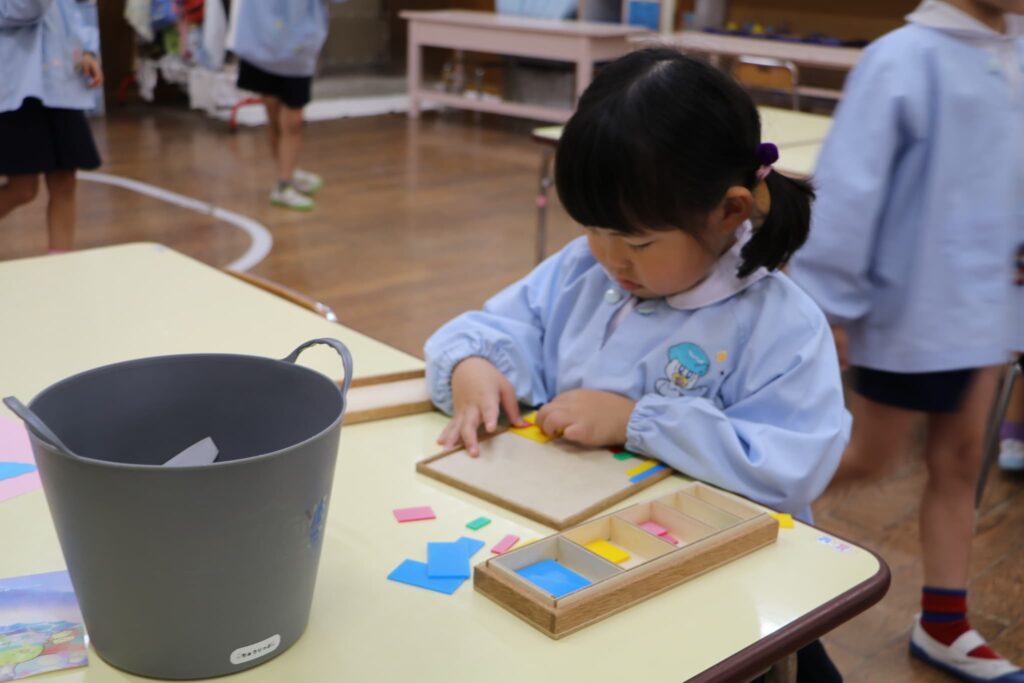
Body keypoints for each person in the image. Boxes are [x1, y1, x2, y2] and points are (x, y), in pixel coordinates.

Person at [425, 48, 849, 682]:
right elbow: (502, 326)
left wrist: (637, 422)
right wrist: (473, 365)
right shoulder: (583, 270)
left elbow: (789, 467)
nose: (609, 258)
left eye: (637, 241)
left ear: (730, 211)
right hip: (585, 566)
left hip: (717, 591)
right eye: (593, 230)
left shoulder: (778, 322)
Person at [787, 1, 1024, 680]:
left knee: (961, 460)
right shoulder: (902, 59)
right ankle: (730, 512)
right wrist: (827, 307)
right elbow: (847, 195)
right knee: (868, 457)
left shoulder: (1012, 52)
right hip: (911, 306)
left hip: (985, 305)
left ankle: (944, 623)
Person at [0, 0, 103, 252]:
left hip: (63, 82)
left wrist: (88, 50)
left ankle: (61, 264)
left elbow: (83, 6)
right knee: (23, 188)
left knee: (64, 182)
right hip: (19, 84)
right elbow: (16, 11)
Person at [230, 0, 333, 212]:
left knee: (292, 122)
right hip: (262, 45)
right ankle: (285, 177)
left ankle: (286, 178)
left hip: (296, 50)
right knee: (274, 116)